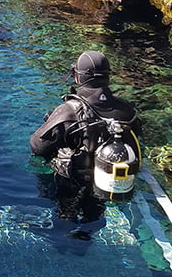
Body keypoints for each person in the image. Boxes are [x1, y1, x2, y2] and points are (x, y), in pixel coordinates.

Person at [29, 50, 141, 240]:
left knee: (65, 216)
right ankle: (85, 239)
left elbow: (37, 146)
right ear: (108, 76)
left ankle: (61, 243)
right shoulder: (127, 110)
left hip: (72, 183)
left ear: (77, 77)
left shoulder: (69, 111)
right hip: (107, 181)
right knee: (94, 214)